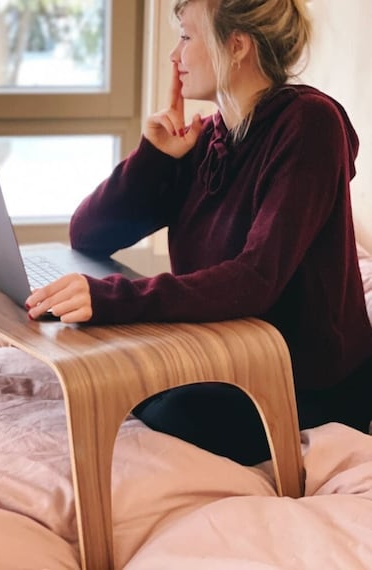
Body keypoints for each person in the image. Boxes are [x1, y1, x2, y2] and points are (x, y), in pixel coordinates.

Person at [26, 0, 372, 465]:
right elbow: (89, 234)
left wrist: (114, 299)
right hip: (220, 355)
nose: (175, 56)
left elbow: (254, 278)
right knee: (102, 379)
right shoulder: (206, 138)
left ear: (236, 46)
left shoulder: (310, 125)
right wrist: (154, 155)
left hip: (305, 382)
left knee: (167, 413)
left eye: (187, 37)